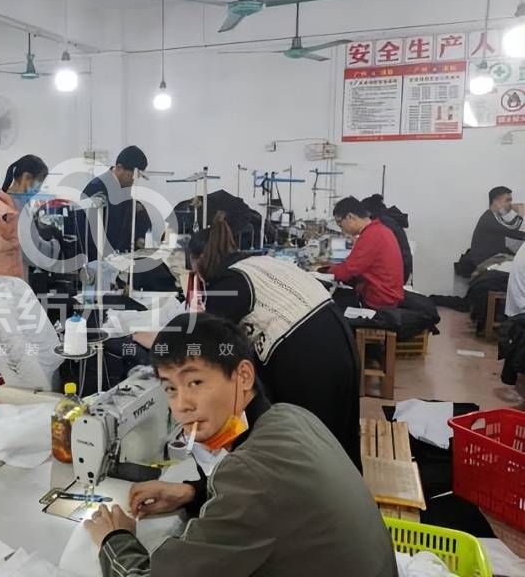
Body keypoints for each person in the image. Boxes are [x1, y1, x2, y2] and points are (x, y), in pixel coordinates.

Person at [85, 313, 396, 577]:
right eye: (170, 388)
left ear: (243, 376)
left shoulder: (250, 474)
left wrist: (115, 539)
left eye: (195, 382)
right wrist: (193, 492)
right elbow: (269, 501)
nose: (181, 405)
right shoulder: (290, 416)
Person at [187, 211, 361, 468]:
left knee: (311, 444)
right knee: (338, 435)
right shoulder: (257, 262)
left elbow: (210, 348)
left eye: (194, 269)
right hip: (339, 339)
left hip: (309, 355)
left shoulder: (227, 283)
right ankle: (346, 488)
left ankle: (311, 489)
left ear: (200, 259)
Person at [0, 155, 49, 289]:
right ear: (26, 177)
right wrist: (56, 245)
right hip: (11, 283)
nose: (39, 190)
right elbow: (33, 253)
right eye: (39, 184)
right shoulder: (17, 208)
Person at [328, 196, 405, 309]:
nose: (342, 230)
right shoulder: (380, 230)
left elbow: (347, 271)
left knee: (332, 307)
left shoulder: (371, 235)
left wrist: (323, 272)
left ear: (350, 217)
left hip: (380, 302)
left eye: (340, 224)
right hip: (389, 295)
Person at [77, 145, 150, 261]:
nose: (133, 180)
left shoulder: (123, 187)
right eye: (130, 176)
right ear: (119, 167)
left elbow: (128, 218)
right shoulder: (96, 188)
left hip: (118, 257)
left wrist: (140, 237)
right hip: (97, 259)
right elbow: (89, 231)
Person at [469, 186, 525, 268]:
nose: (510, 203)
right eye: (507, 200)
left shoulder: (495, 216)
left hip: (495, 258)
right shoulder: (488, 219)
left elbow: (510, 226)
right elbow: (513, 231)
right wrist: (520, 213)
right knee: (521, 266)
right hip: (485, 262)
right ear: (496, 201)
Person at [362, 194, 412, 282]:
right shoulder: (388, 219)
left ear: (368, 212)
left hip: (397, 274)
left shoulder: (382, 223)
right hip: (402, 269)